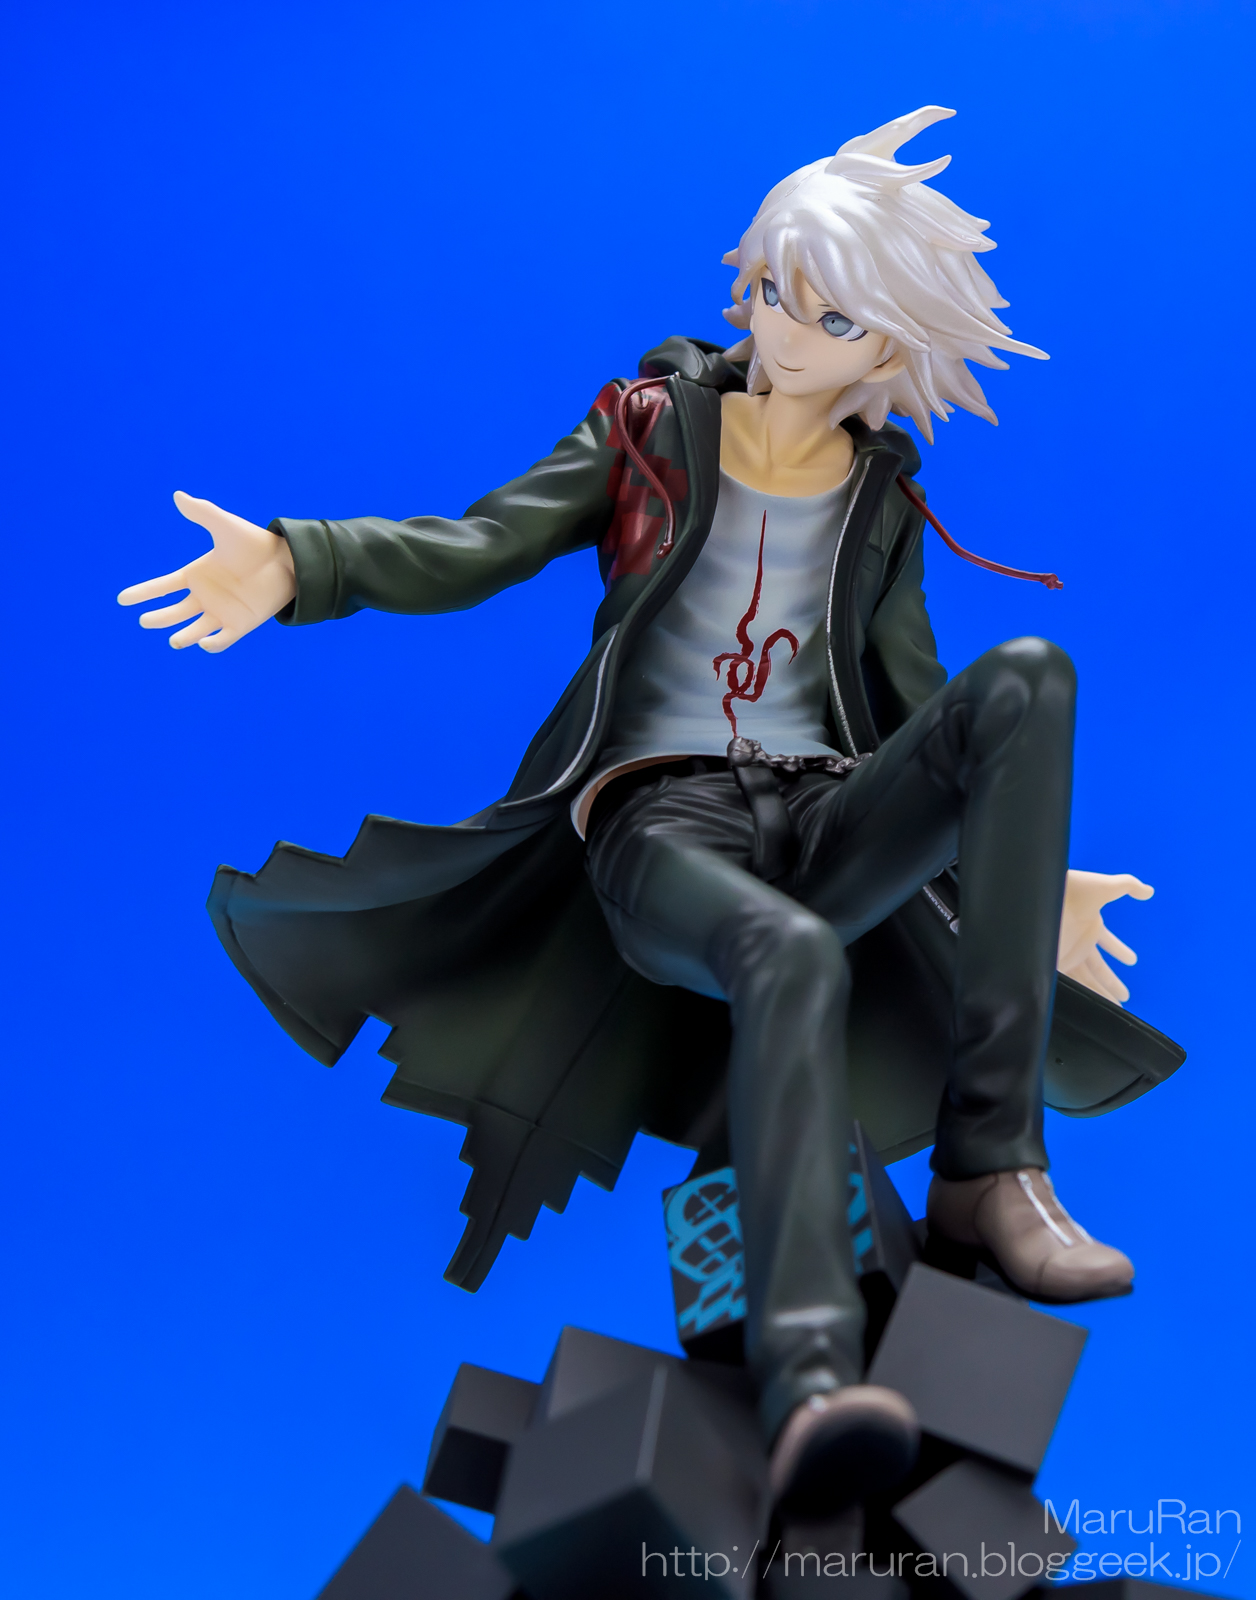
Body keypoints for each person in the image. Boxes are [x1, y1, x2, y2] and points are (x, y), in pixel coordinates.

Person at [119, 107, 1176, 1517]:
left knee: (1030, 679)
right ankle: (811, 1380)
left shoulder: (880, 495)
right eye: (774, 291)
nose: (784, 330)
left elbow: (923, 703)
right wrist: (304, 563)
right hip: (662, 826)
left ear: (887, 348)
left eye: (831, 315)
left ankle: (993, 1169)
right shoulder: (652, 430)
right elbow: (480, 543)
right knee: (785, 955)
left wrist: (1018, 869)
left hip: (823, 815)